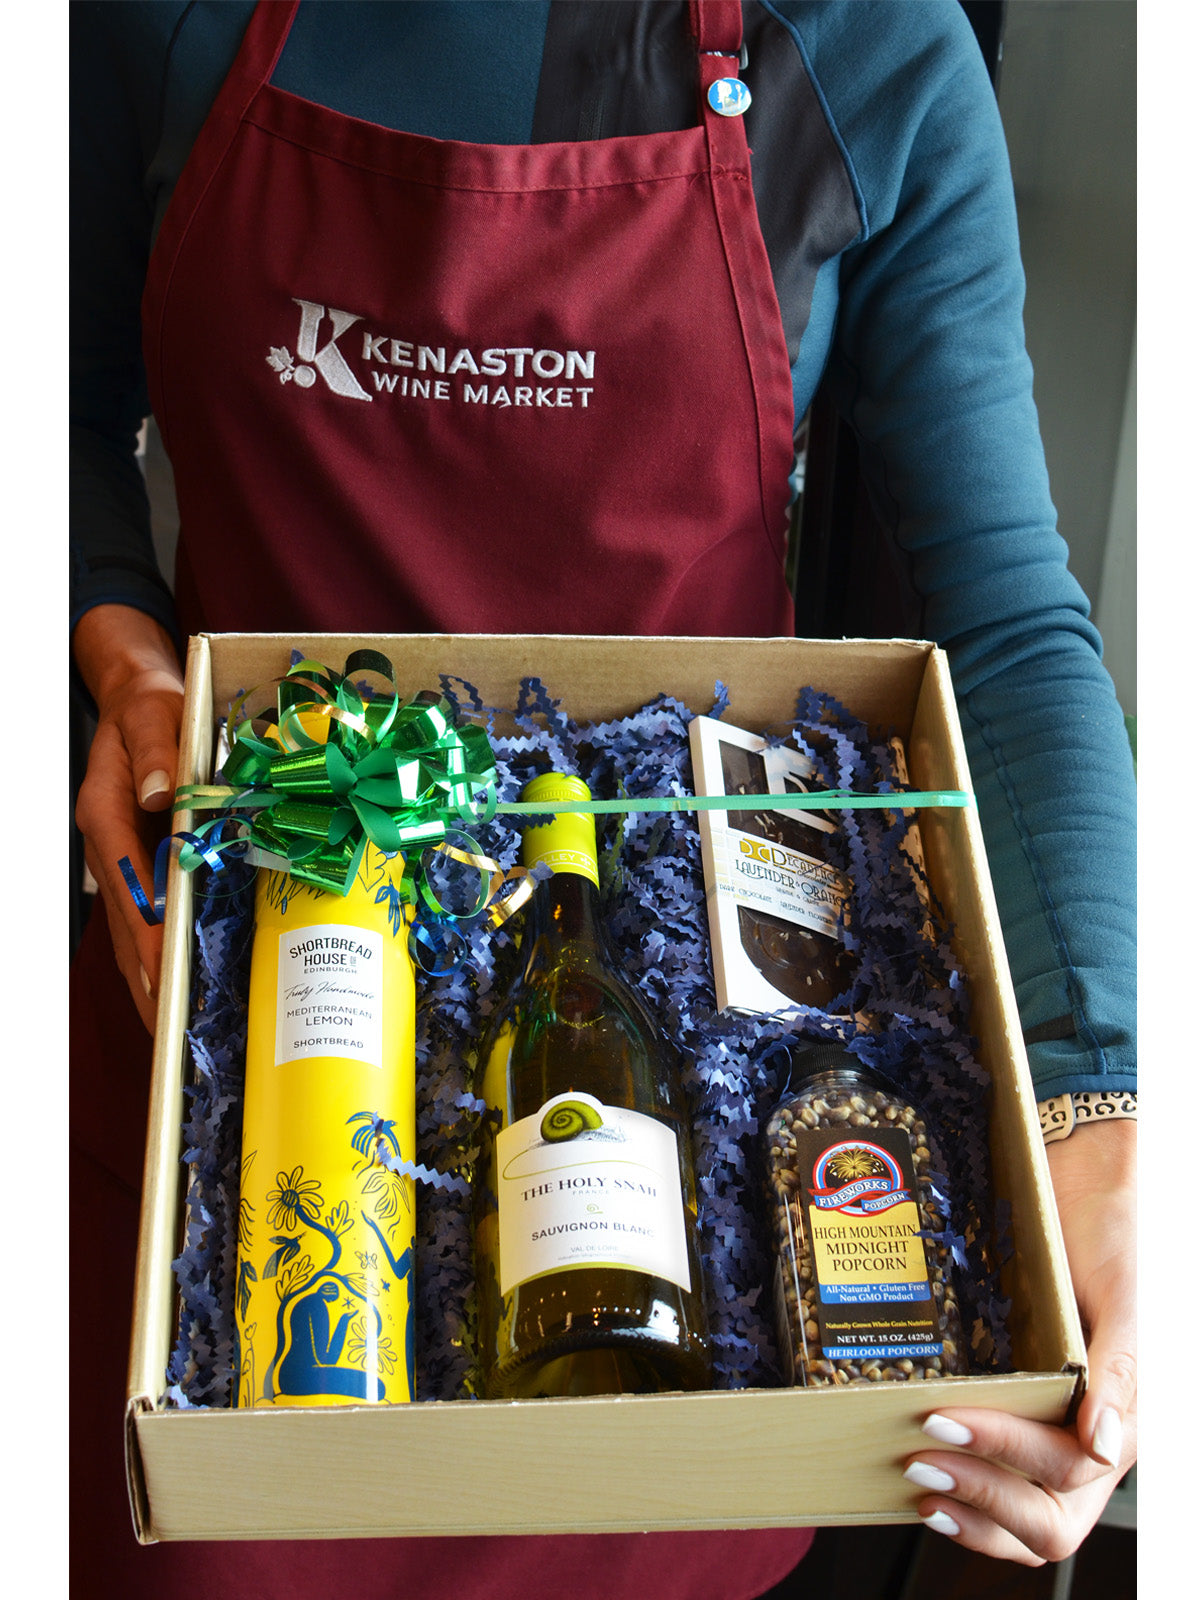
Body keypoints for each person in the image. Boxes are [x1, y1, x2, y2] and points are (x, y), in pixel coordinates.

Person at [70, 2, 1137, 1595]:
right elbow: (53, 410)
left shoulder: (865, 46)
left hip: (671, 941)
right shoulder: (158, 19)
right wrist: (121, 654)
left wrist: (1103, 1106)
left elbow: (1004, 614)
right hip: (251, 932)